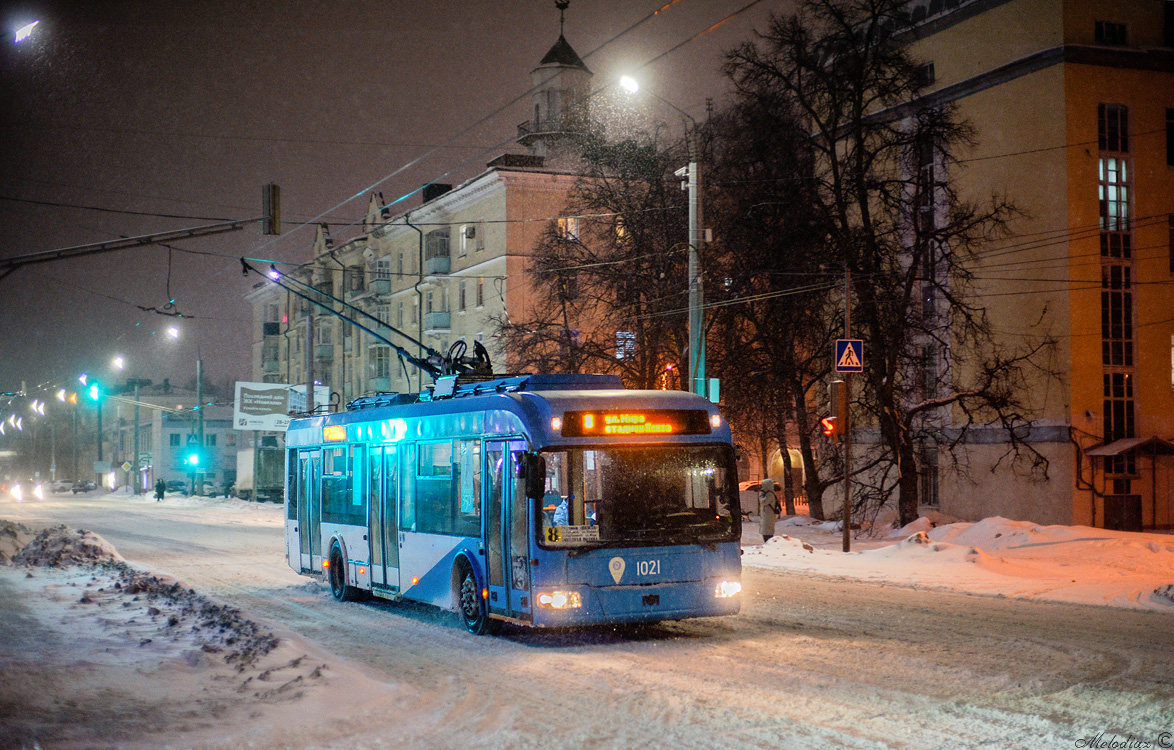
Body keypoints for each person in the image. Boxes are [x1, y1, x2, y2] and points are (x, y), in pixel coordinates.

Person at [758, 479, 779, 544]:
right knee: (766, 530)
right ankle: (767, 543)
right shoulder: (768, 493)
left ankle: (768, 544)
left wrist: (760, 495)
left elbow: (763, 502)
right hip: (766, 515)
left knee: (767, 531)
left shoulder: (770, 494)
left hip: (768, 516)